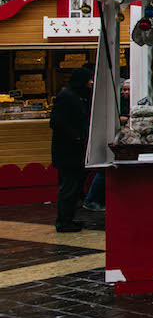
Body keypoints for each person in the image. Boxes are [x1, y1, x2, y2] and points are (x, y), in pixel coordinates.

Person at [50, 65, 93, 232]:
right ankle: (64, 221)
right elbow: (56, 122)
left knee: (74, 187)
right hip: (67, 152)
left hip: (73, 150)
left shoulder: (76, 95)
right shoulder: (67, 96)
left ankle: (69, 218)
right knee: (69, 186)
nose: (91, 82)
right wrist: (76, 136)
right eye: (89, 79)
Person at [83, 79, 128, 213]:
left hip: (118, 139)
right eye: (123, 89)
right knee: (104, 170)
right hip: (111, 140)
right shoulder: (116, 103)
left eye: (127, 89)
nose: (125, 92)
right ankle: (91, 200)